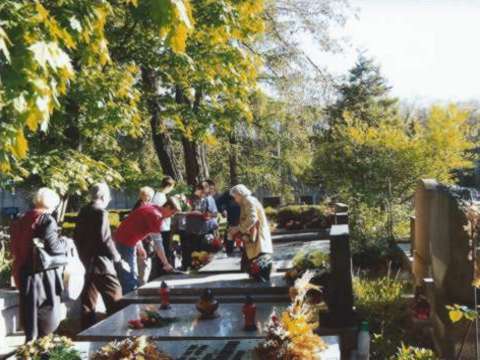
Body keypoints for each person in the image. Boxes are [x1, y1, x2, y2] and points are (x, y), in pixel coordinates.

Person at [11, 188, 67, 341]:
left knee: (30, 320)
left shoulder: (21, 219)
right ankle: (43, 352)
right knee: (46, 319)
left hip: (23, 272)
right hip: (42, 275)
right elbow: (54, 248)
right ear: (52, 204)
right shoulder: (46, 220)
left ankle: (30, 351)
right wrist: (65, 242)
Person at [74, 183, 129, 329]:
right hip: (102, 264)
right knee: (116, 301)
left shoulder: (83, 211)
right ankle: (117, 336)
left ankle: (86, 337)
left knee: (88, 305)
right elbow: (105, 239)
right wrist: (118, 258)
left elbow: (77, 237)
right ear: (104, 197)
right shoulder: (101, 212)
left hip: (87, 263)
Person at [115, 198, 181, 294]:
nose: (172, 216)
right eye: (173, 212)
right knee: (128, 276)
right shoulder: (156, 216)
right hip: (125, 242)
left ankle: (131, 297)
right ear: (167, 207)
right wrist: (166, 263)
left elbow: (134, 225)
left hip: (127, 240)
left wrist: (139, 246)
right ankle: (128, 303)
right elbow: (158, 244)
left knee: (132, 274)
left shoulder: (152, 207)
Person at [228, 184, 273, 282]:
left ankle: (260, 280)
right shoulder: (247, 201)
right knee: (252, 260)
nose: (235, 200)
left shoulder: (248, 200)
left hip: (257, 237)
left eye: (235, 197)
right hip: (254, 236)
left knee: (259, 261)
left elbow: (252, 218)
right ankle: (257, 277)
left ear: (239, 194)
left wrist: (238, 228)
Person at [150, 177, 176, 277]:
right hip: (162, 228)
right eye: (172, 187)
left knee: (165, 249)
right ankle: (163, 271)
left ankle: (165, 269)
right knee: (163, 250)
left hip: (164, 226)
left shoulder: (161, 195)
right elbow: (162, 212)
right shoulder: (159, 196)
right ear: (169, 186)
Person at [132, 186, 155, 286]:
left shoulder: (142, 207)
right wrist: (140, 247)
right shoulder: (140, 209)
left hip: (146, 243)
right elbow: (136, 230)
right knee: (143, 273)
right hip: (142, 244)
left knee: (144, 271)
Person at [215, 190, 241, 255]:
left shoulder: (242, 193)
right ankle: (229, 251)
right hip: (231, 219)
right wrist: (222, 210)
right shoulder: (227, 194)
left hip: (242, 219)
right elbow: (218, 202)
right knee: (229, 235)